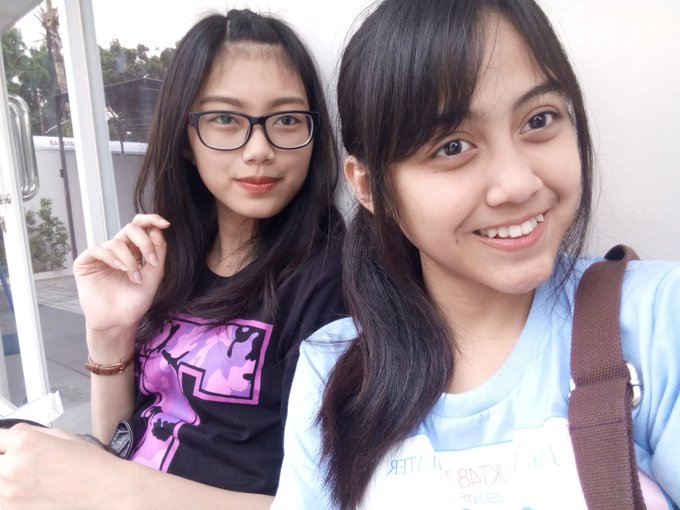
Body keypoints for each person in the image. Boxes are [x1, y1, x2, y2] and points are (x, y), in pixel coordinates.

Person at [272, 0, 680, 508]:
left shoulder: (657, 320)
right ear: (369, 186)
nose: (517, 184)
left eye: (539, 119)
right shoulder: (334, 373)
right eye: (452, 147)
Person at [0, 9, 345, 509]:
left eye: (287, 119)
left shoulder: (332, 285)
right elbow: (119, 441)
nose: (259, 149)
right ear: (185, 139)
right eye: (225, 118)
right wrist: (109, 331)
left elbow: (321, 503)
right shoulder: (170, 258)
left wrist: (97, 482)